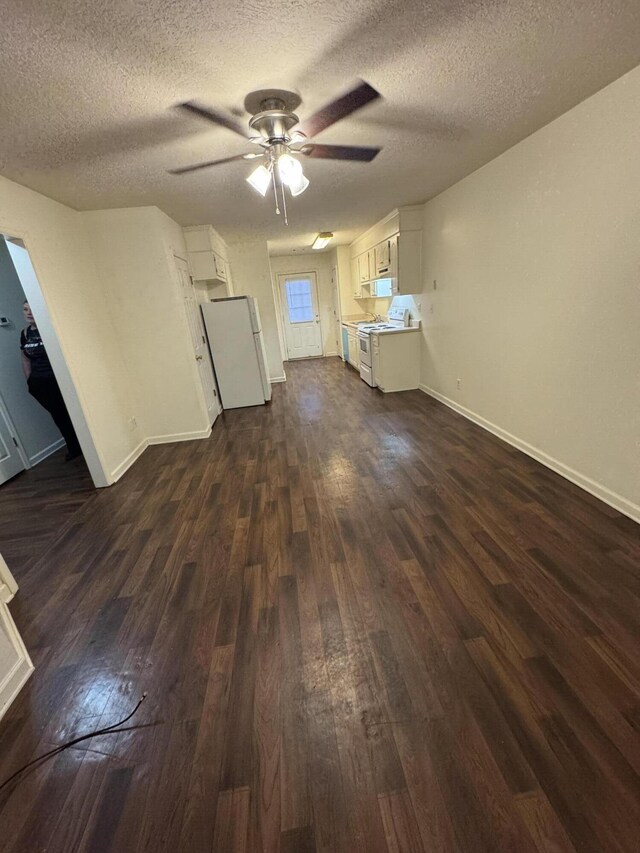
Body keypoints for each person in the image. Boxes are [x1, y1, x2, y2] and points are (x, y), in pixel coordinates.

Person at [20, 301, 82, 461]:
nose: (28, 313)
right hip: (40, 383)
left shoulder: (49, 328)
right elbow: (25, 358)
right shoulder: (25, 333)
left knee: (72, 412)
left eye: (32, 309)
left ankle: (86, 444)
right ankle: (74, 447)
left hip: (59, 380)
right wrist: (29, 381)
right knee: (58, 415)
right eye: (25, 309)